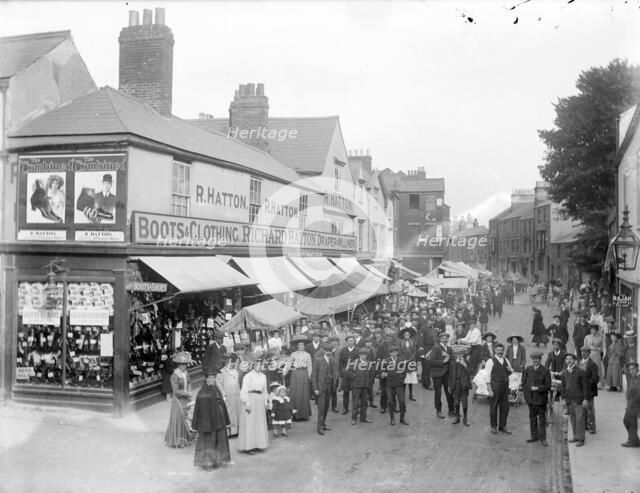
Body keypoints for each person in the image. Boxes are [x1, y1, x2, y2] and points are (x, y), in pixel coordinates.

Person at [192, 368, 231, 470]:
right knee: (209, 441)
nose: (213, 380)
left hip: (219, 419)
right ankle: (208, 463)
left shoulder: (216, 389)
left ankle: (219, 460)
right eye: (211, 378)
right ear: (206, 379)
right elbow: (202, 410)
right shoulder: (202, 392)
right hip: (208, 422)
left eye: (214, 378)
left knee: (220, 439)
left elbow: (221, 402)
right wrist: (206, 423)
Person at [238, 352, 269, 453]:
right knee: (250, 423)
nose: (259, 366)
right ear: (253, 365)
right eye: (257, 364)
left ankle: (259, 444)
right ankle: (248, 447)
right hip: (251, 399)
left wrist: (266, 401)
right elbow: (244, 390)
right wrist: (246, 402)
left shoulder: (263, 376)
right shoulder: (248, 376)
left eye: (261, 364)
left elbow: (265, 390)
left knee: (259, 423)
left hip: (259, 400)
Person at [521, 351, 551, 446]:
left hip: (541, 400)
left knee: (542, 420)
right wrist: (526, 395)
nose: (535, 361)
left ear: (540, 360)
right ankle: (534, 437)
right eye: (534, 360)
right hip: (531, 400)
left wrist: (538, 388)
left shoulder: (545, 370)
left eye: (537, 360)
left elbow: (548, 386)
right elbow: (524, 382)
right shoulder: (528, 369)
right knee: (532, 419)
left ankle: (543, 439)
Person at [164, 351, 194, 448]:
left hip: (186, 399)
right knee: (178, 418)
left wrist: (189, 391)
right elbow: (176, 391)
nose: (183, 367)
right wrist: (186, 393)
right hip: (178, 400)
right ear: (178, 364)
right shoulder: (174, 375)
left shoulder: (186, 373)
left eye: (185, 364)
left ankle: (185, 439)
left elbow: (189, 382)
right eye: (181, 365)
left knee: (186, 418)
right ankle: (176, 441)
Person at [561, 353, 589, 447]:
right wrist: (564, 398)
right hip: (569, 399)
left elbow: (585, 387)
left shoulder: (581, 372)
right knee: (573, 418)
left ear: (575, 361)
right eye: (567, 359)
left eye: (571, 359)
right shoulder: (565, 372)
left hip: (579, 400)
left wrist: (585, 399)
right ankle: (575, 436)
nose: (569, 361)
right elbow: (563, 386)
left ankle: (581, 439)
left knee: (580, 419)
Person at [485, 342, 513, 434]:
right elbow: (487, 376)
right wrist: (489, 389)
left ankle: (502, 426)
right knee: (494, 407)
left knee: (505, 407)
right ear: (494, 350)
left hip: (505, 386)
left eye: (501, 350)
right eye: (498, 350)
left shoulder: (506, 360)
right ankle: (493, 426)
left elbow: (510, 371)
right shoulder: (490, 361)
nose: (500, 352)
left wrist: (510, 370)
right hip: (495, 386)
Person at [284, 335, 312, 421]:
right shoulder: (293, 354)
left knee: (304, 393)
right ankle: (296, 415)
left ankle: (304, 415)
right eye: (299, 345)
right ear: (297, 346)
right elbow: (288, 363)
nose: (301, 346)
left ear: (304, 346)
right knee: (295, 393)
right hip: (295, 374)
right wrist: (285, 371)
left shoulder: (307, 355)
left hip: (304, 373)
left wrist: (309, 376)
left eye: (303, 345)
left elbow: (309, 366)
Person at [381, 345, 409, 425]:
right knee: (390, 402)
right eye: (392, 352)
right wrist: (384, 375)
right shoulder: (386, 361)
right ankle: (392, 418)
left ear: (397, 352)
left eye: (396, 352)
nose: (394, 353)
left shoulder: (401, 360)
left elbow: (404, 372)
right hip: (389, 385)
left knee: (402, 401)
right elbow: (382, 372)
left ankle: (402, 418)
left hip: (399, 385)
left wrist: (401, 379)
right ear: (389, 353)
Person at [312, 342, 336, 435]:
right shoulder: (318, 360)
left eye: (330, 351)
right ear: (323, 351)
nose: (328, 352)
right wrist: (315, 389)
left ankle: (323, 424)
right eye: (327, 350)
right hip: (321, 387)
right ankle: (319, 427)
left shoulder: (332, 360)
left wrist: (334, 384)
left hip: (329, 386)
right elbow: (314, 376)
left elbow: (334, 373)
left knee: (326, 407)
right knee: (321, 408)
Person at [216, 353, 242, 437]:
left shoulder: (235, 371)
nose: (232, 364)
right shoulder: (221, 372)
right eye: (230, 362)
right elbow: (219, 384)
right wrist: (223, 394)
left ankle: (238, 430)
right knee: (229, 413)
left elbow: (237, 383)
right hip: (228, 395)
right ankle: (230, 431)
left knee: (238, 411)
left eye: (232, 362)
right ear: (226, 362)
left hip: (236, 395)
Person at [430, 332, 455, 419]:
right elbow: (431, 361)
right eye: (443, 338)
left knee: (449, 392)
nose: (445, 340)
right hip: (437, 374)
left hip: (447, 374)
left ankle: (451, 410)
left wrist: (447, 356)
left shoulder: (449, 348)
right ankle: (438, 410)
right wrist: (443, 362)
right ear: (440, 339)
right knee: (438, 393)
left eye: (446, 338)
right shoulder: (436, 348)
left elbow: (452, 359)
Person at [448, 346, 472, 426]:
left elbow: (470, 372)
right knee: (456, 401)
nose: (459, 356)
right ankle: (457, 417)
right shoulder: (452, 363)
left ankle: (465, 418)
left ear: (463, 354)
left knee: (464, 401)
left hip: (464, 384)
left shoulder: (466, 361)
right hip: (456, 384)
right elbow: (450, 375)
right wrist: (450, 386)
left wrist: (464, 365)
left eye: (461, 354)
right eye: (457, 354)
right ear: (455, 355)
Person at [579, 345, 600, 435]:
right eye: (582, 352)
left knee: (590, 408)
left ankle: (592, 427)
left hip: (590, 390)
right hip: (581, 390)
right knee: (583, 408)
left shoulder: (592, 364)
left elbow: (596, 378)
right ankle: (585, 425)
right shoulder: (579, 362)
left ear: (589, 353)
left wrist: (587, 383)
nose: (583, 354)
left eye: (585, 352)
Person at [351, 348, 373, 425]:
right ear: (359, 355)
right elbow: (349, 372)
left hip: (365, 386)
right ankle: (354, 418)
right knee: (355, 403)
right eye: (362, 354)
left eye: (365, 355)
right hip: (356, 386)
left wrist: (368, 383)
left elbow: (370, 373)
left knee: (364, 402)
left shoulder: (368, 362)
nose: (364, 356)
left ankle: (363, 418)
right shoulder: (354, 362)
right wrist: (354, 377)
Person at [339, 334, 360, 415]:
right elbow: (341, 363)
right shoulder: (343, 350)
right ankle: (345, 408)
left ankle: (356, 408)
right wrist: (343, 371)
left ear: (354, 341)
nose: (350, 342)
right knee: (346, 392)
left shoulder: (358, 350)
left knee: (356, 392)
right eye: (349, 341)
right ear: (346, 342)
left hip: (355, 374)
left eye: (352, 341)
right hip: (346, 374)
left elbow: (360, 362)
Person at [621, 362, 640, 448]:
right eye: (630, 370)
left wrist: (632, 403)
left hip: (636, 405)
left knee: (630, 421)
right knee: (626, 421)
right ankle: (634, 439)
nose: (631, 371)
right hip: (631, 404)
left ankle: (633, 441)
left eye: (633, 369)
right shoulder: (632, 378)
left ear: (638, 369)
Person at [399, 325, 418, 401]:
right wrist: (404, 359)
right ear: (403, 335)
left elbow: (414, 352)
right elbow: (400, 352)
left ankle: (411, 394)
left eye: (408, 334)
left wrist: (410, 359)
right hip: (403, 362)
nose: (407, 336)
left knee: (411, 380)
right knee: (404, 379)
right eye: (405, 334)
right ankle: (402, 394)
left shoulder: (413, 342)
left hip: (411, 362)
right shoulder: (401, 342)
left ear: (410, 335)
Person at [417, 318, 436, 390]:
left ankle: (424, 381)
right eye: (431, 320)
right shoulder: (423, 328)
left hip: (432, 349)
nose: (432, 321)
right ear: (428, 320)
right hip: (426, 349)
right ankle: (427, 384)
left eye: (433, 320)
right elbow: (420, 341)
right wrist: (422, 352)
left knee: (427, 367)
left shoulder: (433, 328)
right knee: (426, 368)